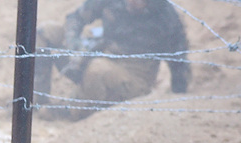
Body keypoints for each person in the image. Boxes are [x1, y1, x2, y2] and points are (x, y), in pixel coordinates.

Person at [34, 0, 190, 119]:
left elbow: (178, 60)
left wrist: (179, 95)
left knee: (97, 70)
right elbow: (75, 18)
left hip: (134, 75)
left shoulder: (165, 16)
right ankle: (35, 100)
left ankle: (71, 110)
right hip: (101, 53)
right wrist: (74, 44)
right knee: (47, 31)